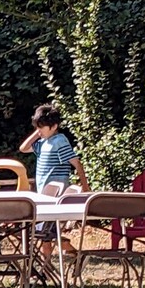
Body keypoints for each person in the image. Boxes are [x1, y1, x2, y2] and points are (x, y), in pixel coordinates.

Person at [19, 103, 90, 257]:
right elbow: (23, 148)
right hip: (44, 195)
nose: (39, 130)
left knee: (46, 232)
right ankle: (50, 264)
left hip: (55, 197)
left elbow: (76, 163)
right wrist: (38, 132)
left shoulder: (59, 141)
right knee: (46, 234)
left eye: (42, 127)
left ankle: (72, 254)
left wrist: (85, 188)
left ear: (54, 126)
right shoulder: (43, 142)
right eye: (37, 126)